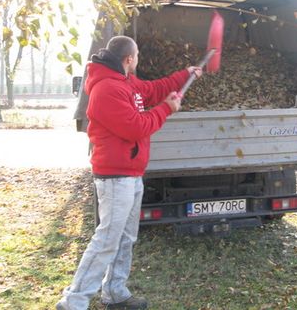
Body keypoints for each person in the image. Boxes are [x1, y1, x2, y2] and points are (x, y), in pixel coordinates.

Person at [57, 35, 202, 310]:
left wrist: (185, 75)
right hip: (114, 178)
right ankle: (73, 302)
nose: (138, 60)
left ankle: (115, 292)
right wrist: (166, 109)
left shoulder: (125, 82)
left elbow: (151, 89)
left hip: (131, 174)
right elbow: (136, 127)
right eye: (136, 56)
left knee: (125, 238)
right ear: (129, 59)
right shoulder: (106, 89)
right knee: (107, 239)